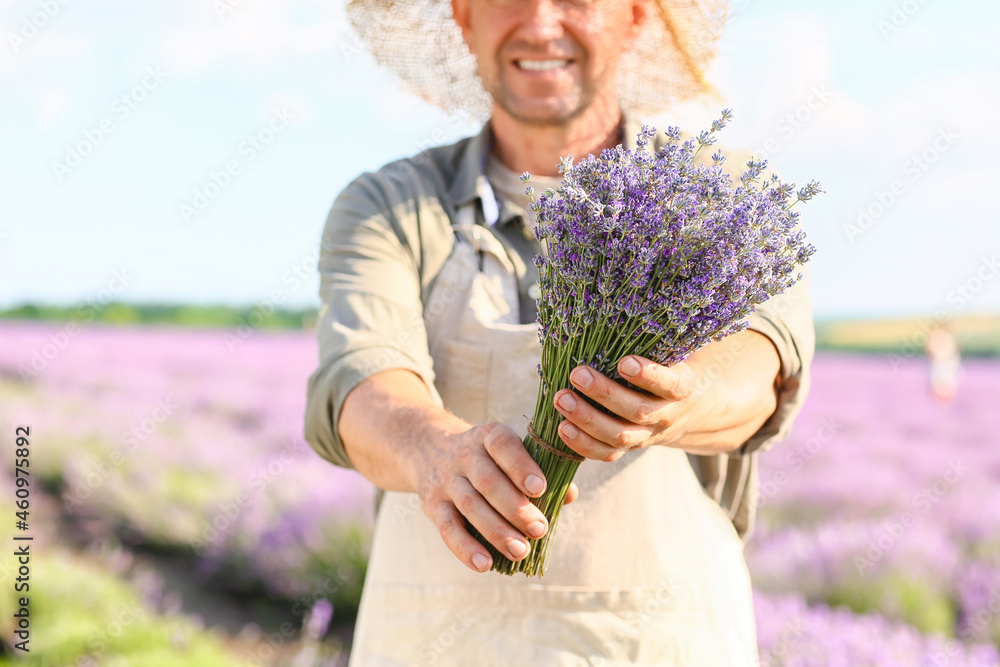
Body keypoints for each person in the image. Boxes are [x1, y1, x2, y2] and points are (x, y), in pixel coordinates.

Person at [304, 0, 814, 663]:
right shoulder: (393, 207)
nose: (541, 23)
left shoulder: (723, 204)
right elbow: (360, 382)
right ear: (464, 17)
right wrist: (435, 452)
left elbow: (761, 370)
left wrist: (676, 397)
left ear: (635, 16)